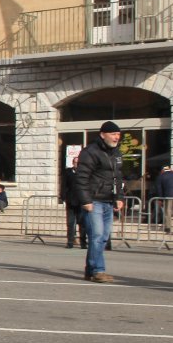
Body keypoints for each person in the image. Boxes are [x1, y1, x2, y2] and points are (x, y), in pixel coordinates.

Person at [72, 121, 125, 283]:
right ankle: (98, 270)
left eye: (118, 134)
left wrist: (119, 197)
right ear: (103, 135)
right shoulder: (90, 152)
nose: (116, 137)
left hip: (109, 200)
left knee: (103, 237)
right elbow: (82, 177)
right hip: (94, 201)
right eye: (113, 134)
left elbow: (118, 177)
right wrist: (86, 200)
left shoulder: (116, 153)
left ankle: (90, 270)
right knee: (97, 236)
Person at [62, 153, 87, 248]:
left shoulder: (84, 173)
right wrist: (63, 197)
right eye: (75, 162)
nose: (77, 164)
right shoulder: (68, 172)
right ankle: (70, 242)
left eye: (78, 162)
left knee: (82, 223)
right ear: (73, 163)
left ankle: (83, 243)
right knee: (70, 223)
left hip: (81, 201)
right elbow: (64, 185)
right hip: (71, 201)